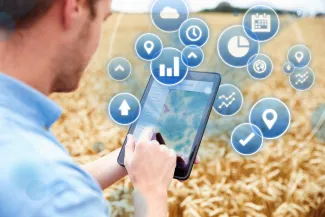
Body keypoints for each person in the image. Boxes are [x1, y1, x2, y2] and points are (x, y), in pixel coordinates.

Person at [0, 0, 201, 217]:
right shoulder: (57, 191)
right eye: (103, 19)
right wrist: (151, 191)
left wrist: (126, 157)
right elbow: (57, 195)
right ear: (73, 8)